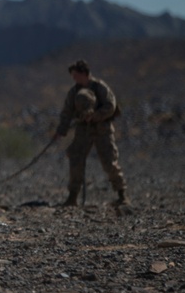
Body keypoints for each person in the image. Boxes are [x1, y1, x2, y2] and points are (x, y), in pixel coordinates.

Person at [53, 59, 129, 206]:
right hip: (83, 130)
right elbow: (67, 112)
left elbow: (111, 106)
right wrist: (61, 131)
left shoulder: (100, 87)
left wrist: (95, 116)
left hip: (102, 130)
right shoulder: (74, 92)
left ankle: (122, 194)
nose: (74, 79)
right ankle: (73, 196)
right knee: (76, 159)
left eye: (76, 75)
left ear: (83, 74)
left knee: (109, 162)